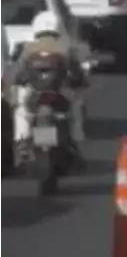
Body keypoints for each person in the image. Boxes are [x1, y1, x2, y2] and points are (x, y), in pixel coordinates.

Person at [10, 12, 88, 159]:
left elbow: (18, 72)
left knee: (21, 111)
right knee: (76, 106)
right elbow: (76, 73)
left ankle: (21, 140)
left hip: (35, 94)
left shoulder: (28, 48)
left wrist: (15, 83)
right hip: (59, 94)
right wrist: (80, 81)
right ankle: (77, 137)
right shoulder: (66, 48)